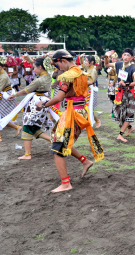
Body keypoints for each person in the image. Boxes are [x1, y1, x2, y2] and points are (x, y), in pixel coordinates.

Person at [37, 49, 104, 192]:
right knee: (60, 141)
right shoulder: (83, 73)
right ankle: (85, 161)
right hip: (79, 112)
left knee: (57, 147)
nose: (58, 68)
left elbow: (59, 98)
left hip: (73, 113)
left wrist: (43, 105)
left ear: (63, 61)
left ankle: (66, 183)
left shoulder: (67, 76)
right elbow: (89, 83)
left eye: (58, 65)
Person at [7, 57, 56, 160]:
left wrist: (14, 94)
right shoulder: (48, 75)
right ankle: (56, 142)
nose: (33, 70)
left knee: (28, 127)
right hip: (43, 102)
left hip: (37, 104)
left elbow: (26, 90)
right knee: (34, 128)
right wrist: (29, 60)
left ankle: (27, 154)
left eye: (34, 67)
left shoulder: (39, 80)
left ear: (40, 67)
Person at [104, 49, 135, 142]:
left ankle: (120, 134)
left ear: (131, 58)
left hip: (130, 94)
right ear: (122, 56)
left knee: (129, 114)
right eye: (124, 55)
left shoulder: (133, 69)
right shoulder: (118, 64)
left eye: (128, 55)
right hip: (120, 93)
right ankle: (130, 127)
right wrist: (106, 56)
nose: (126, 57)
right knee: (119, 113)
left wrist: (127, 84)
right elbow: (107, 65)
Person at [80, 54, 101, 128]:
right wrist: (80, 58)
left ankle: (95, 122)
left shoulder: (93, 70)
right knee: (87, 107)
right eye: (85, 60)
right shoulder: (88, 68)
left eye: (86, 61)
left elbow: (91, 82)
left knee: (89, 108)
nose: (85, 62)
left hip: (91, 90)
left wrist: (80, 81)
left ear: (92, 62)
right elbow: (82, 65)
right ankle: (91, 122)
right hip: (87, 89)